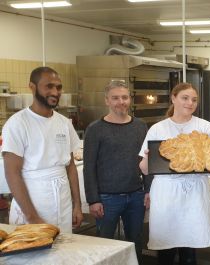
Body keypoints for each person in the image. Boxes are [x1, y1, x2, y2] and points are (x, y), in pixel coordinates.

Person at [139, 83, 210, 265]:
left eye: (194, 100)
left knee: (189, 247)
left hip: (194, 192)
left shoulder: (204, 127)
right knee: (166, 247)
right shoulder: (158, 129)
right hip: (167, 192)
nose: (190, 103)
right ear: (173, 98)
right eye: (185, 98)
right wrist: (149, 159)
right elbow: (143, 168)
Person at [2, 66, 83, 233]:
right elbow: (12, 173)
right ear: (32, 87)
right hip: (34, 201)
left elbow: (70, 167)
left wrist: (77, 205)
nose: (55, 91)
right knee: (35, 255)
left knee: (63, 250)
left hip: (63, 199)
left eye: (59, 87)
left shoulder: (64, 123)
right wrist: (32, 217)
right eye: (49, 86)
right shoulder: (18, 123)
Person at [83, 80, 147, 261]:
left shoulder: (140, 126)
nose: (121, 102)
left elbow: (146, 161)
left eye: (125, 97)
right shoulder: (95, 129)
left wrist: (148, 190)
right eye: (116, 98)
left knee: (135, 242)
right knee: (105, 245)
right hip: (107, 198)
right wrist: (93, 199)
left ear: (130, 99)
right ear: (107, 101)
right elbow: (89, 167)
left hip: (136, 196)